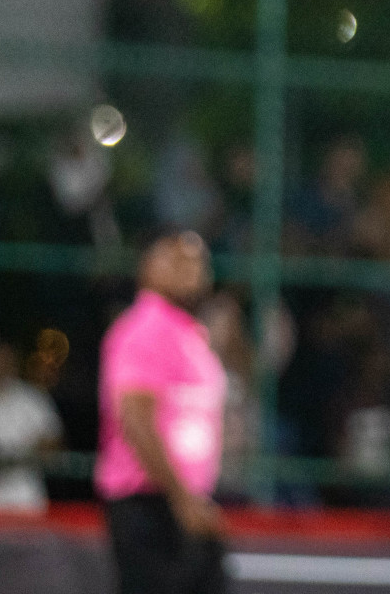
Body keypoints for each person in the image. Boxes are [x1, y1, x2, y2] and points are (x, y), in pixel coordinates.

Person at [96, 230, 228, 594]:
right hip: (150, 504)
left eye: (197, 259)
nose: (190, 267)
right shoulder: (144, 329)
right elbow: (137, 420)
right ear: (148, 265)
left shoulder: (188, 332)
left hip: (184, 501)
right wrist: (181, 499)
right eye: (176, 258)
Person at [0, 340, 62, 513]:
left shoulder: (32, 398)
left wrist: (24, 454)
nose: (1, 364)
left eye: (5, 359)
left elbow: (54, 444)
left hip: (26, 498)